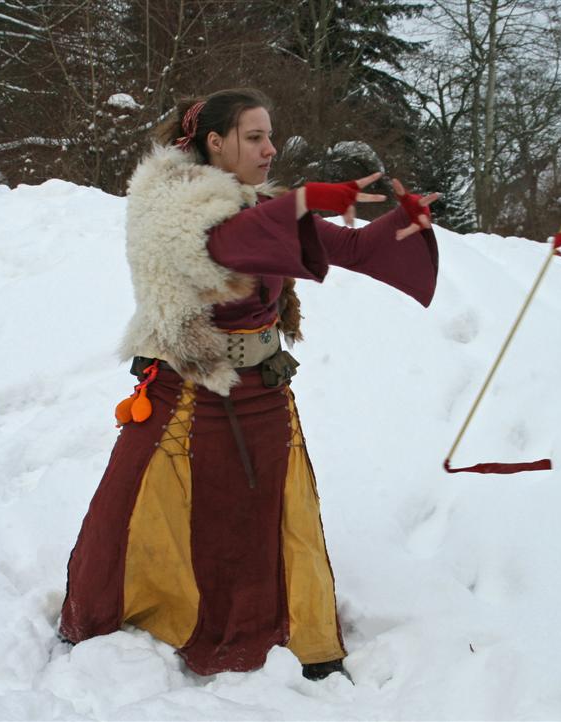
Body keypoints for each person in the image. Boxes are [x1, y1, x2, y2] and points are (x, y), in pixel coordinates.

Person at [59, 88, 439, 681]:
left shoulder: (258, 203)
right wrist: (305, 201)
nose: (270, 148)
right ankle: (158, 618)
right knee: (163, 517)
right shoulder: (171, 205)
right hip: (189, 398)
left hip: (264, 389)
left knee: (276, 514)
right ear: (216, 142)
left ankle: (291, 631)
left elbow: (355, 246)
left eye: (270, 136)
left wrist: (406, 224)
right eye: (255, 137)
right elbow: (225, 244)